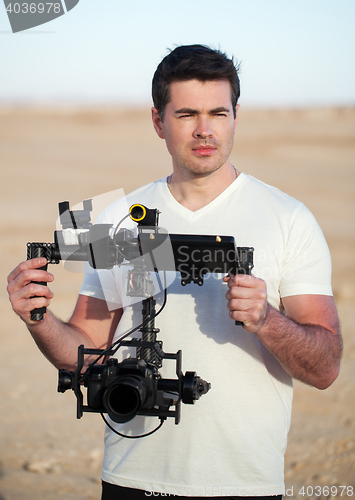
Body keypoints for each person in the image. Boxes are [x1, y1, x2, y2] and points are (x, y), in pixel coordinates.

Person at [7, 45, 342, 500]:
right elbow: (85, 352)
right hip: (132, 477)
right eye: (186, 114)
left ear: (236, 117)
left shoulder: (288, 218)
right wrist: (38, 319)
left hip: (243, 482)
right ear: (157, 120)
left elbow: (325, 368)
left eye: (218, 113)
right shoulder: (119, 218)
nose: (205, 130)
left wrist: (267, 320)